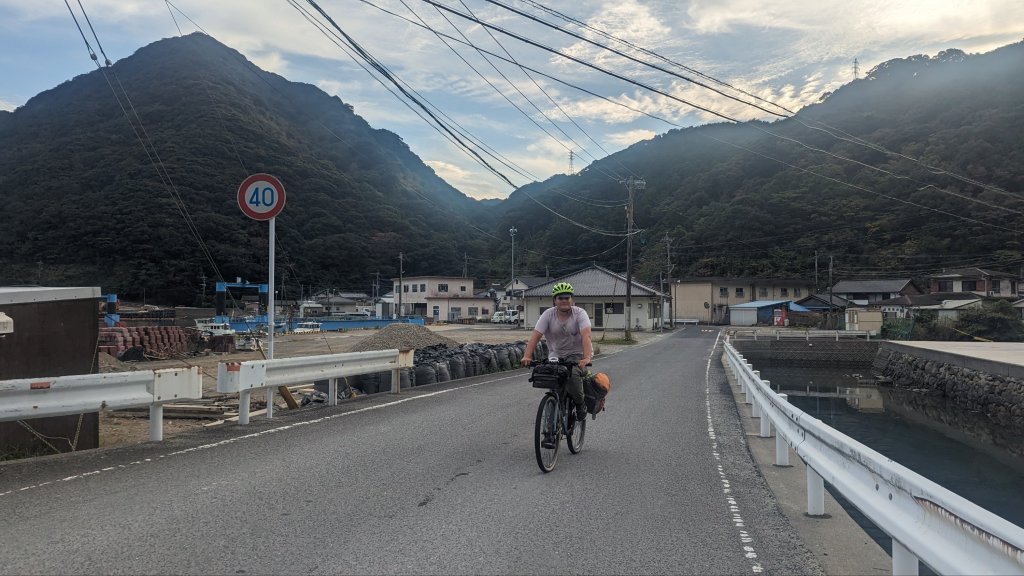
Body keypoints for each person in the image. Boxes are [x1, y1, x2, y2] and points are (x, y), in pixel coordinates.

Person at [522, 281, 594, 422]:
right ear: (555, 300)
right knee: (553, 379)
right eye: (560, 298)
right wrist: (527, 356)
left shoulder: (580, 313)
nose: (564, 301)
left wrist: (586, 358)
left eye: (567, 297)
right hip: (556, 354)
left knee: (572, 376)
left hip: (577, 353)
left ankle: (580, 404)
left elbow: (586, 336)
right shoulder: (548, 315)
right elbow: (535, 336)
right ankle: (554, 418)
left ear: (572, 299)